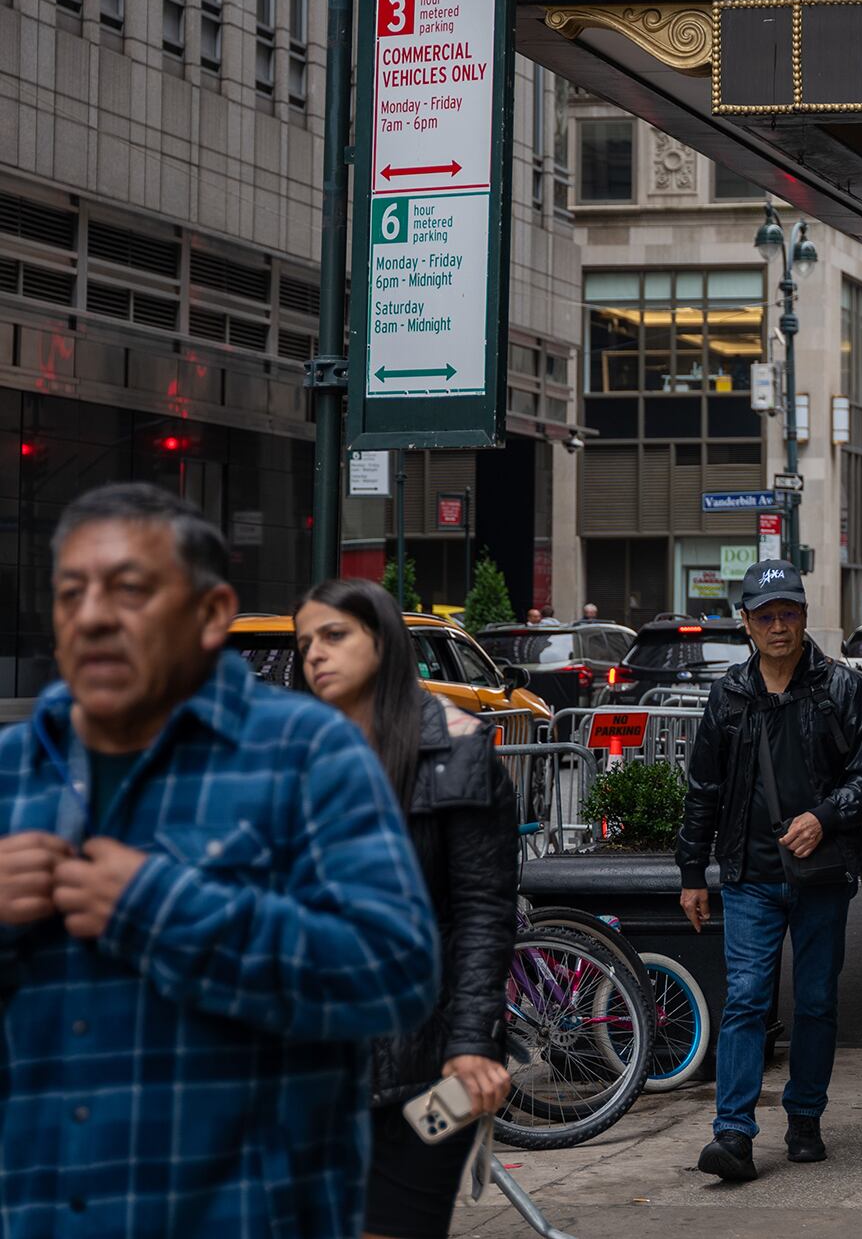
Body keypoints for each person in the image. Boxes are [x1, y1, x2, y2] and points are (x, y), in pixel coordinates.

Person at [0, 484, 439, 1237]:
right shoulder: (12, 768)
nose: (94, 614)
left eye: (130, 589)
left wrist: (158, 907)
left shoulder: (305, 752)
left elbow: (393, 969)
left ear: (210, 613)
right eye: (71, 592)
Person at [297, 578, 517, 1239]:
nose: (314, 653)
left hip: (430, 1061)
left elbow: (484, 908)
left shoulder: (457, 748)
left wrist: (472, 1040)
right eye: (304, 640)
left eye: (334, 634)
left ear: (383, 641)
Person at [675, 558, 862, 1183]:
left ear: (804, 617)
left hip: (821, 875)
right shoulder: (729, 694)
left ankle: (805, 1119)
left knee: (817, 1001)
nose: (778, 626)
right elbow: (703, 788)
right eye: (765, 616)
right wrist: (692, 871)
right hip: (751, 876)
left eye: (788, 613)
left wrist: (824, 816)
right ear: (745, 624)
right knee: (744, 999)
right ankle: (733, 1134)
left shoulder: (841, 688)